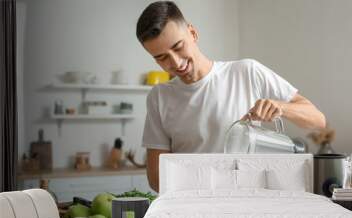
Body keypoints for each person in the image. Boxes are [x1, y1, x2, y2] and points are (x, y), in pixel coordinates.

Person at [136, 1, 326, 192]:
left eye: (178, 47)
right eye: (162, 57)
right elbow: (157, 179)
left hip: (248, 201)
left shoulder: (246, 72)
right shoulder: (159, 97)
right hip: (193, 208)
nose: (175, 62)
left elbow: (318, 120)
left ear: (193, 33)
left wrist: (281, 107)